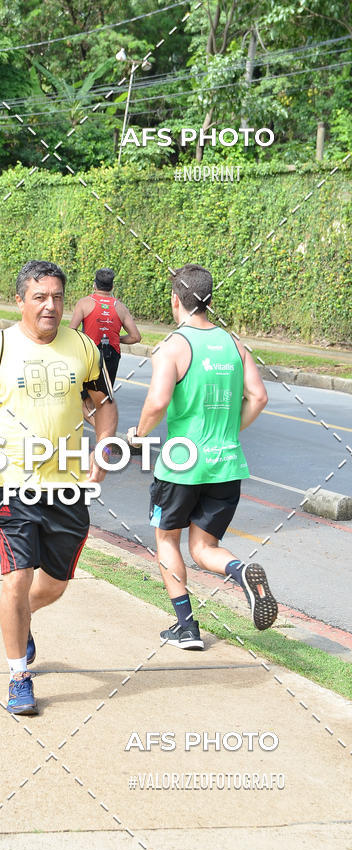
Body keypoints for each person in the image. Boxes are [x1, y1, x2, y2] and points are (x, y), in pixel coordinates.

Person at [0, 260, 118, 715]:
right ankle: (18, 678)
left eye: (56, 298)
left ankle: (21, 621)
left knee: (54, 586)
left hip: (67, 487)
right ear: (21, 301)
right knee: (17, 579)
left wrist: (105, 451)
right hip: (14, 485)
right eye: (40, 297)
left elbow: (104, 405)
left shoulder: (83, 348)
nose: (50, 306)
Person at [129, 264, 279, 650]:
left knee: (166, 539)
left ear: (175, 300)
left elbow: (159, 400)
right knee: (204, 549)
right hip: (226, 464)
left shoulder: (173, 347)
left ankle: (186, 627)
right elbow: (259, 397)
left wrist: (139, 433)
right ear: (208, 300)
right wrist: (230, 432)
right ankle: (241, 571)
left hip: (182, 465)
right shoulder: (234, 344)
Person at [69, 267, 141, 424]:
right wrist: (115, 338)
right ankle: (104, 433)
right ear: (112, 287)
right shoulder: (120, 307)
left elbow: (71, 331)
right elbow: (136, 337)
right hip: (111, 356)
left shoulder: (84, 303)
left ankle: (103, 433)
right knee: (102, 399)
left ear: (94, 285)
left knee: (82, 400)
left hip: (90, 355)